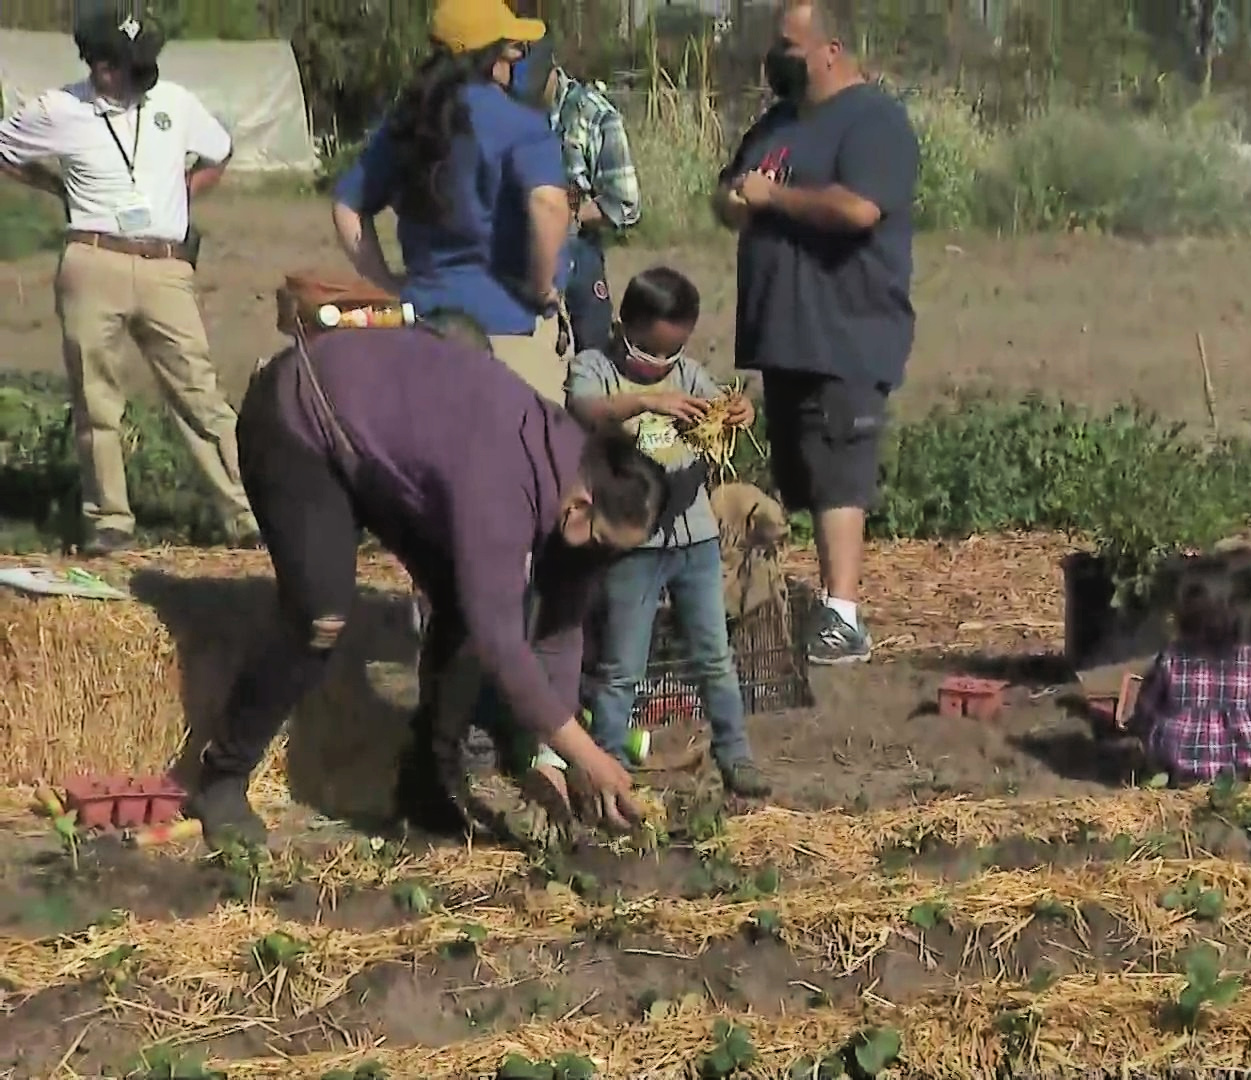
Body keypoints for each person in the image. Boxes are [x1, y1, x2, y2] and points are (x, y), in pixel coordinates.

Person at [185, 322, 667, 846]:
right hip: (304, 415)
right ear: (579, 510)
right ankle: (221, 778)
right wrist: (587, 754)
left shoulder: (583, 481)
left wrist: (552, 760)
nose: (604, 561)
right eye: (602, 545)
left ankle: (424, 780)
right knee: (320, 615)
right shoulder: (503, 485)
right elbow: (500, 642)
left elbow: (560, 628)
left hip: (383, 447)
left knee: (461, 601)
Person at [0, 12, 257, 555]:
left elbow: (220, 150)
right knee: (97, 398)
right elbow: (5, 148)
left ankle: (246, 512)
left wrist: (185, 194)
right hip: (92, 263)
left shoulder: (177, 103)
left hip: (167, 267)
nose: (148, 74)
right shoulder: (58, 109)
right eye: (134, 66)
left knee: (201, 395)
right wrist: (58, 187)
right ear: (101, 67)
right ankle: (110, 520)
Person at [713, 0, 921, 666]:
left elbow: (858, 207)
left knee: (839, 466)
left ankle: (843, 615)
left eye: (790, 46)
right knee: (801, 472)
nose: (777, 58)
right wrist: (735, 200)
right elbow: (730, 191)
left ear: (831, 50)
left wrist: (773, 199)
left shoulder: (874, 122)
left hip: (846, 326)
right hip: (783, 327)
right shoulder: (777, 123)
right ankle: (807, 603)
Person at [565, 267, 770, 797]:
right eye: (651, 354)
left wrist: (737, 411)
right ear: (626, 327)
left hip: (693, 538)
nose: (662, 368)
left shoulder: (690, 374)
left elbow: (719, 403)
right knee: (621, 667)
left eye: (672, 357)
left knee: (714, 657)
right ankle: (609, 763)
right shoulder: (596, 368)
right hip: (634, 547)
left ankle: (735, 755)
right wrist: (645, 401)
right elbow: (583, 407)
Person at [330, 0, 572, 403]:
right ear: (490, 54)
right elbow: (549, 205)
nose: (516, 55)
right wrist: (542, 286)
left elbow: (347, 207)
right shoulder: (521, 124)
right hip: (509, 330)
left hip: (422, 323)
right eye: (511, 46)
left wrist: (388, 283)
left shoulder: (408, 123)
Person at [509, 36, 640, 357]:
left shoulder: (594, 116)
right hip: (514, 253)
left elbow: (625, 202)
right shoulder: (502, 111)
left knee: (591, 356)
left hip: (577, 253)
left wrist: (567, 215)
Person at [1124, 553, 1251, 787]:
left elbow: (1147, 706)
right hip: (1236, 763)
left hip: (1180, 762)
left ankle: (1174, 773)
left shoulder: (1172, 657)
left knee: (1160, 714)